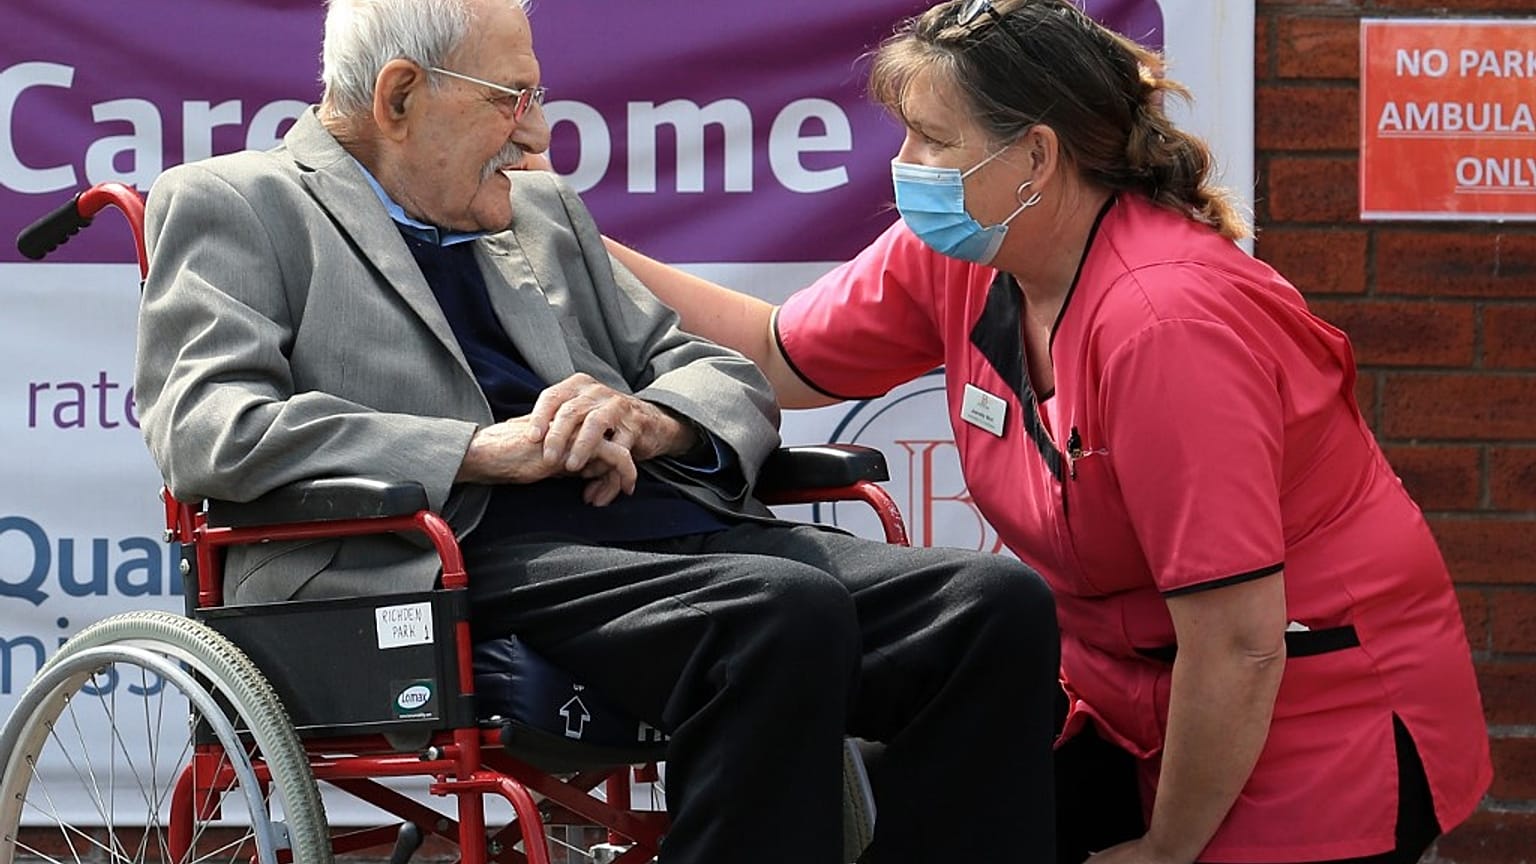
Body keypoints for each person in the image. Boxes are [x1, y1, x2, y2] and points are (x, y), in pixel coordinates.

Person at [132, 1, 1061, 862]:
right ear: (401, 95)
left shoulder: (539, 210)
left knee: (992, 607)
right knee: (775, 612)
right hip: (445, 552)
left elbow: (720, 373)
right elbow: (211, 427)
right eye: (512, 98)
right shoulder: (236, 203)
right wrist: (475, 450)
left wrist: (653, 419)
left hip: (659, 529)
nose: (537, 129)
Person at [606, 1, 1492, 862]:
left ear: (1034, 155)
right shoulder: (964, 250)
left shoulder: (1166, 324)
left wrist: (1166, 848)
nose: (905, 165)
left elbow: (1238, 641)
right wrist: (573, 230)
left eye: (933, 139)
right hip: (1119, 698)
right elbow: (778, 353)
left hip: (1305, 719)